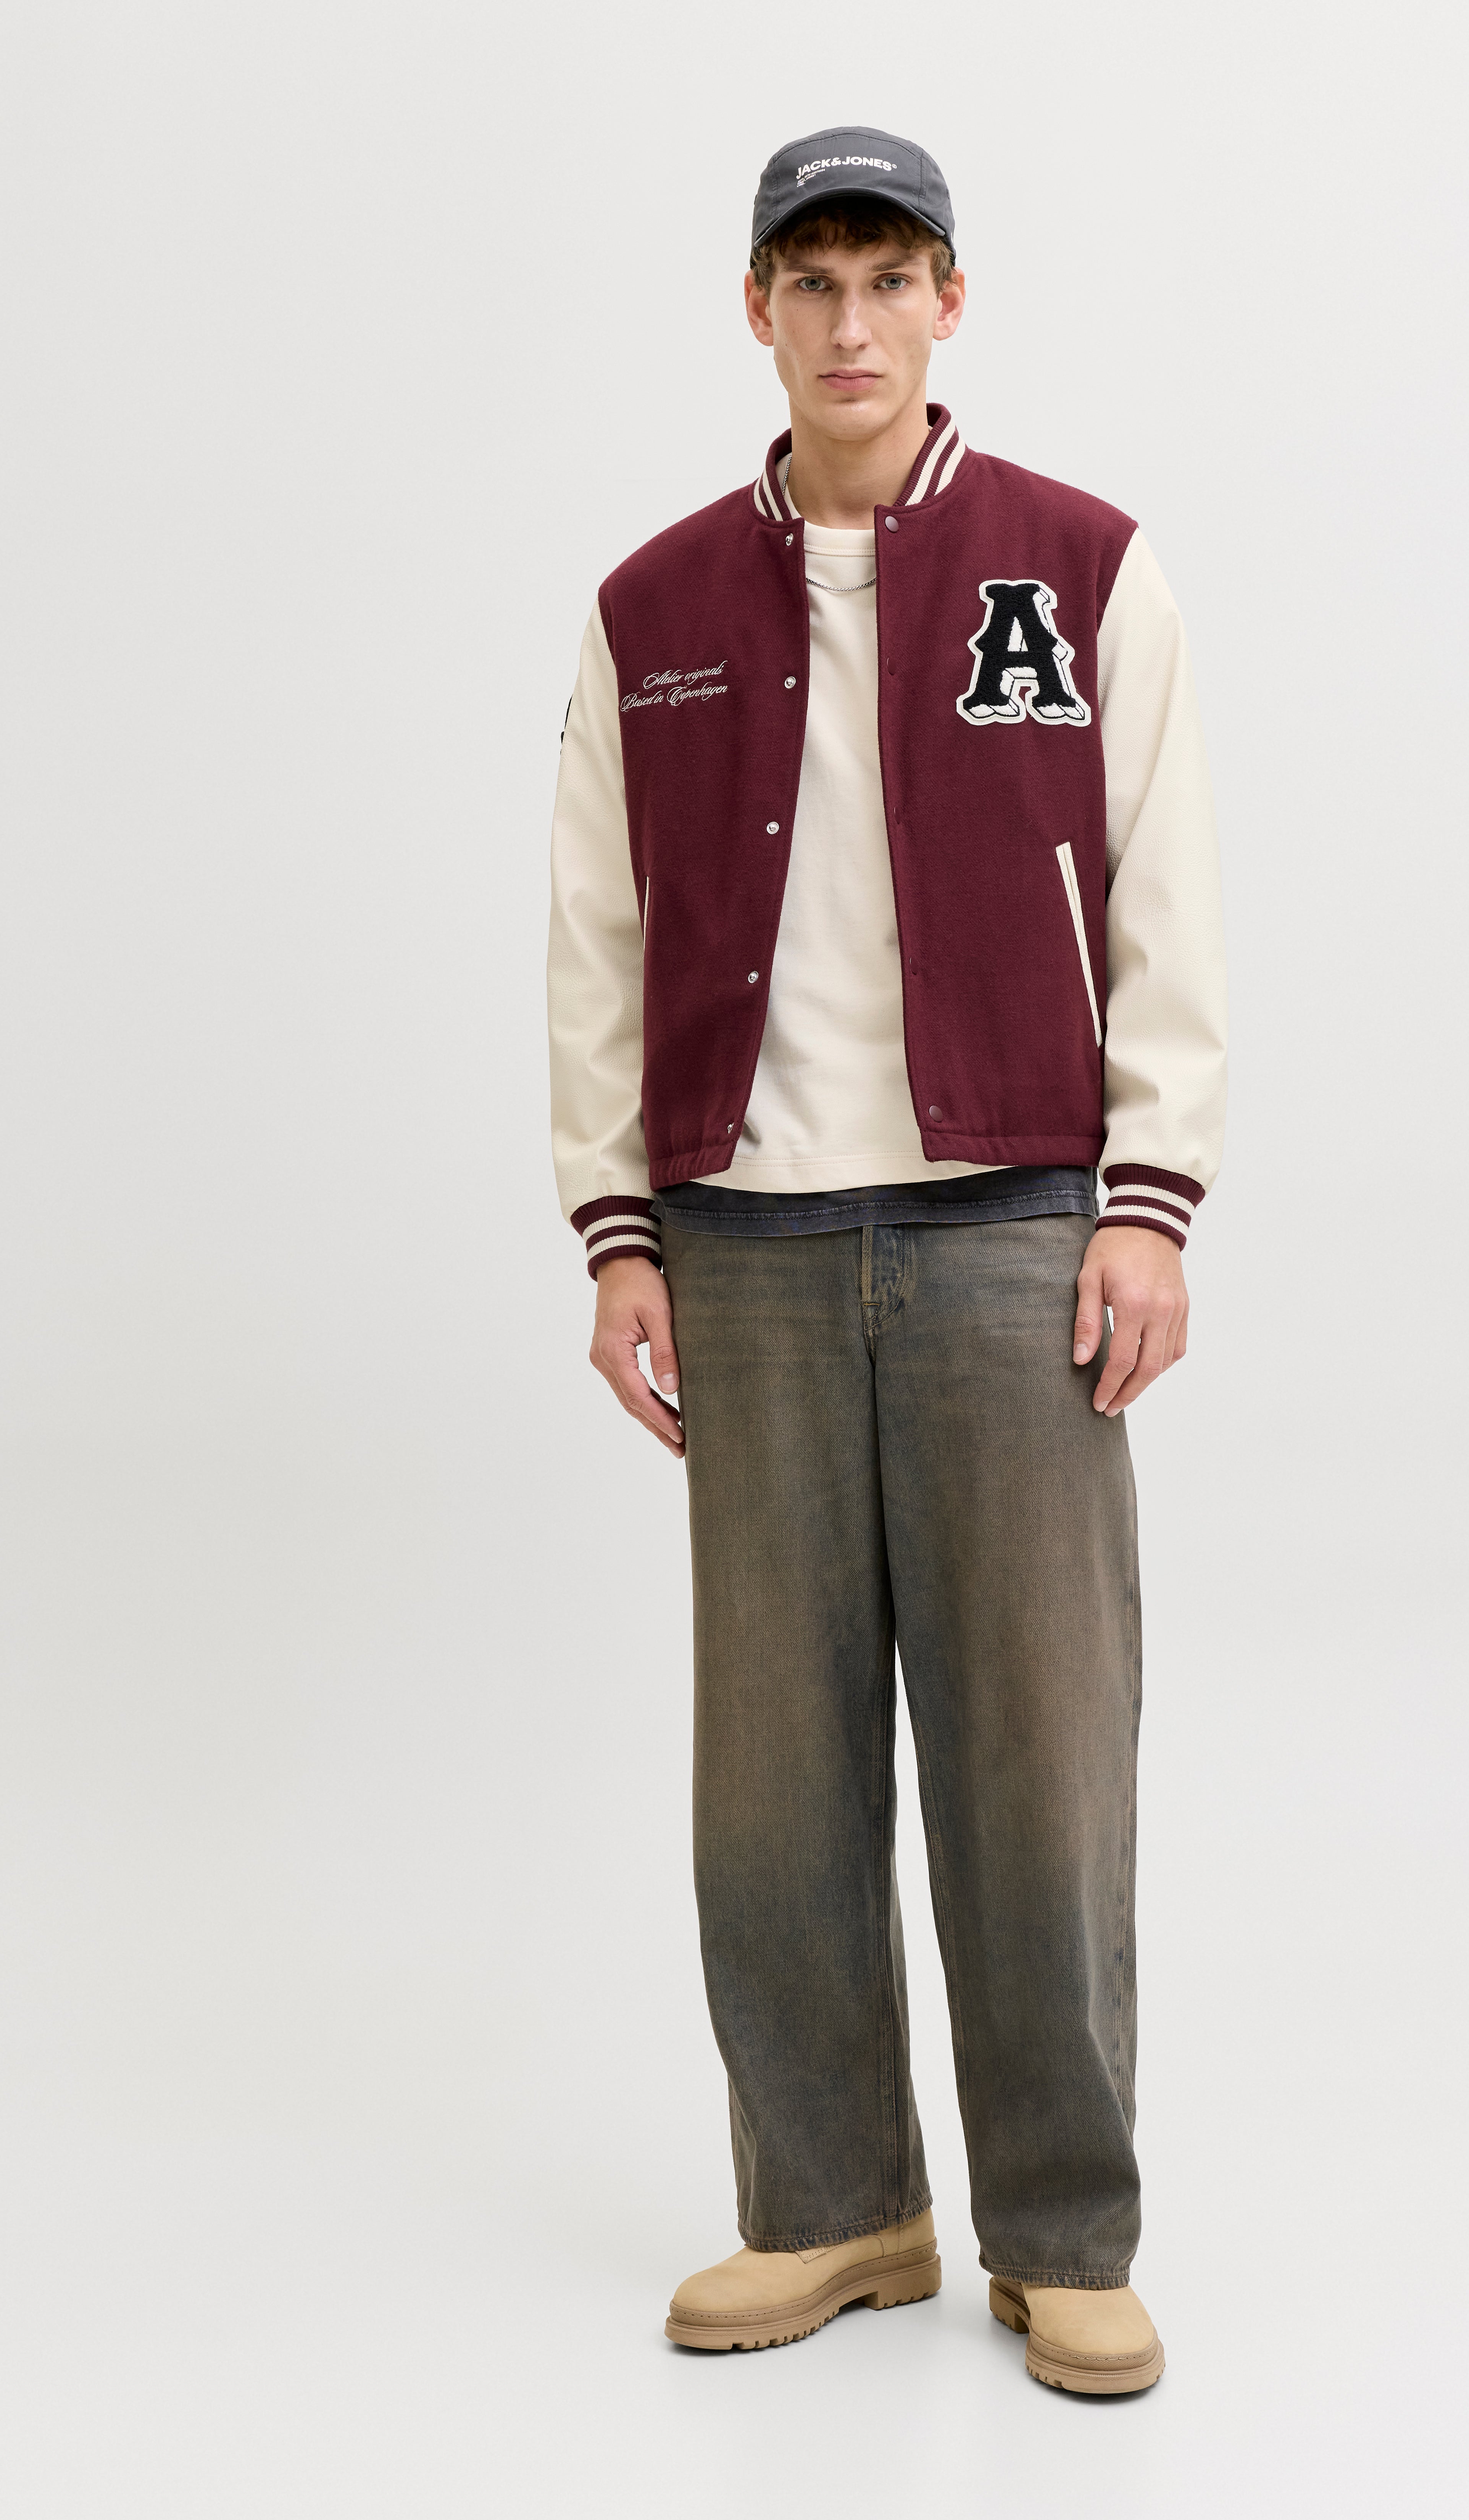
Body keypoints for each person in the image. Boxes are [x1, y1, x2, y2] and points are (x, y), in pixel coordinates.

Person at [547, 125, 1226, 2396]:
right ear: (756, 311)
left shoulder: (1082, 566)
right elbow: (596, 934)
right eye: (810, 281)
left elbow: (1164, 896)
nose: (851, 322)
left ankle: (1063, 2229)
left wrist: (1149, 1195)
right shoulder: (651, 609)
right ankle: (834, 2205)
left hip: (1011, 1226)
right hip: (737, 1240)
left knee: (1039, 1756)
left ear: (950, 301)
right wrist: (617, 1230)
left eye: (889, 277)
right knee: (773, 1772)